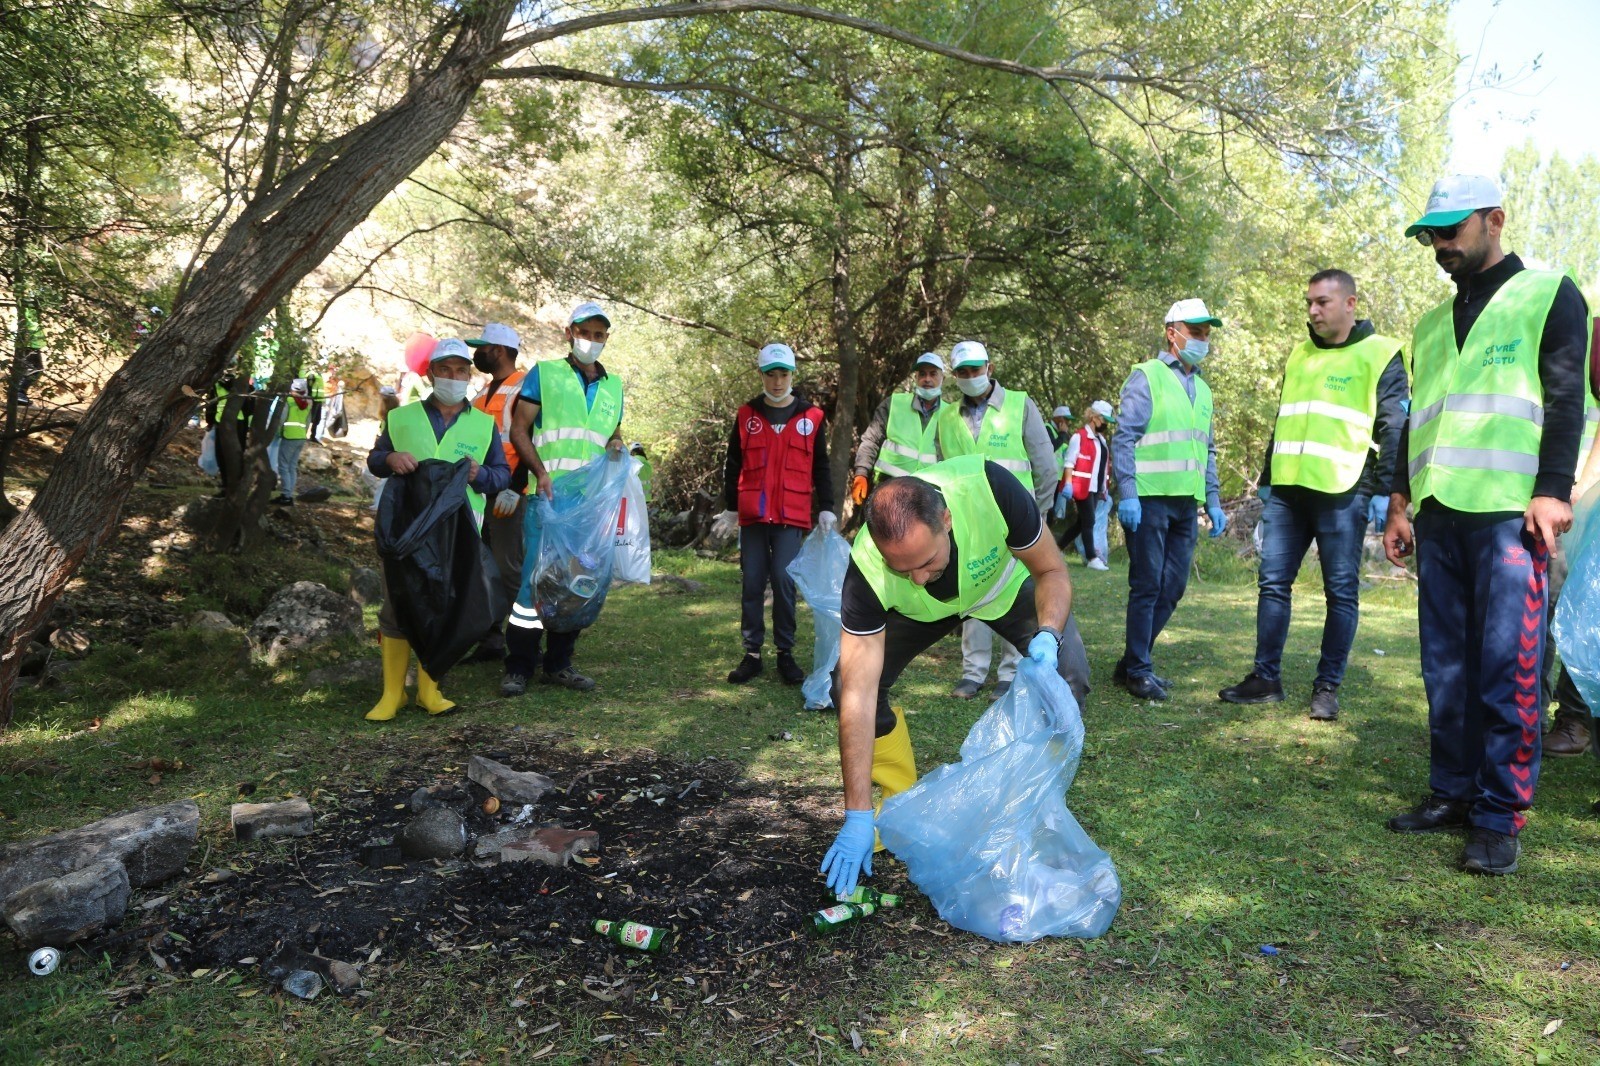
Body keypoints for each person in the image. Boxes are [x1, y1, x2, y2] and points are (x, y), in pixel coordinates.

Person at [1383, 174, 1590, 876]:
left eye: (1451, 230)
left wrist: (1553, 490)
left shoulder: (1549, 294)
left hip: (1511, 514)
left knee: (1508, 669)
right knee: (1445, 669)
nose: (1440, 245)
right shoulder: (1430, 325)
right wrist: (1401, 500)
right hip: (1439, 512)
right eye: (1431, 235)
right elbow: (1419, 417)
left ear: (1495, 219)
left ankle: (1500, 815)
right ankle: (1451, 794)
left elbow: (1567, 399)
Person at [818, 455, 1092, 897]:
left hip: (1001, 590)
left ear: (945, 520)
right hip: (919, 617)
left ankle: (1030, 810)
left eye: (926, 561)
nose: (920, 577)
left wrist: (1048, 635)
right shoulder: (868, 566)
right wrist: (856, 813)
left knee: (1069, 678)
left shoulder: (989, 489)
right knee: (844, 685)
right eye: (901, 569)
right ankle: (898, 808)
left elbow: (1052, 570)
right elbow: (857, 696)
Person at [1218, 270, 1409, 720]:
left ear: (1350, 304)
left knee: (1340, 592)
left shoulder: (1381, 354)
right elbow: (1284, 418)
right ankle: (1266, 678)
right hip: (1288, 489)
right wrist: (1266, 477)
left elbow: (1395, 427)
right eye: (1309, 302)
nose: (1312, 311)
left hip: (1344, 490)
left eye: (1322, 302)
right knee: (1272, 583)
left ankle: (1327, 687)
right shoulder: (1299, 353)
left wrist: (1386, 492)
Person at [363, 338, 511, 721]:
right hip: (405, 530)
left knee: (446, 606)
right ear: (430, 374)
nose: (453, 377)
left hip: (458, 532)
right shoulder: (402, 417)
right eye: (445, 369)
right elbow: (376, 460)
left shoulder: (483, 424)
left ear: (468, 376)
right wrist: (390, 457)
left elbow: (501, 474)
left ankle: (430, 691)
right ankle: (392, 694)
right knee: (397, 605)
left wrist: (480, 474)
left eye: (461, 371)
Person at [503, 301, 625, 694]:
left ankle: (559, 664)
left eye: (598, 334)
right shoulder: (546, 374)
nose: (591, 341)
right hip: (550, 496)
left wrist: (620, 446)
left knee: (576, 581)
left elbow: (611, 435)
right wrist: (539, 473)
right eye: (584, 332)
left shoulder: (614, 386)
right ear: (569, 333)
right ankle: (518, 667)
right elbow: (519, 429)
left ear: (607, 338)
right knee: (532, 584)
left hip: (589, 505)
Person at [1111, 299, 1228, 701]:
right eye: (1194, 330)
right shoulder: (1148, 376)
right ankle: (1139, 669)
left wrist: (1212, 499)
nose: (1201, 338)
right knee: (1147, 585)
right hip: (1148, 500)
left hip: (1185, 504)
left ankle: (1131, 661)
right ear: (1171, 332)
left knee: (1173, 587)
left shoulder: (1204, 389)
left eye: (1206, 332)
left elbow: (1206, 449)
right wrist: (1127, 494)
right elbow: (1124, 438)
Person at [936, 340, 1058, 699]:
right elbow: (939, 472)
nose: (971, 376)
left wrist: (1041, 517)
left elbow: (1045, 466)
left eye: (977, 369)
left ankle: (1009, 672)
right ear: (956, 376)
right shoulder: (946, 417)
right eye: (963, 372)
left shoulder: (1020, 405)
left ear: (989, 368)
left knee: (1016, 592)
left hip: (1015, 521)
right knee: (973, 593)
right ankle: (972, 672)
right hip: (968, 523)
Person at [713, 343, 835, 685]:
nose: (778, 381)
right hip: (753, 515)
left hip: (790, 516)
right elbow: (733, 463)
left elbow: (821, 465)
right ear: (761, 376)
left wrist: (826, 507)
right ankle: (752, 654)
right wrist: (731, 508)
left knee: (783, 582)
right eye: (771, 374)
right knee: (752, 581)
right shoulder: (746, 415)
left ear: (792, 374)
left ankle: (785, 653)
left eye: (783, 374)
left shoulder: (811, 417)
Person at [465, 322, 527, 665]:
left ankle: (523, 643)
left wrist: (516, 489)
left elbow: (530, 441)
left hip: (509, 493)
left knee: (508, 568)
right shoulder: (483, 392)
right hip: (481, 491)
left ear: (499, 351)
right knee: (483, 566)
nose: (478, 354)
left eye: (482, 348)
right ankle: (491, 639)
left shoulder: (523, 389)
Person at [850, 352, 946, 505]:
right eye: (922, 374)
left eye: (933, 374)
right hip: (888, 491)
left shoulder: (950, 415)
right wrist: (861, 473)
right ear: (915, 378)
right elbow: (871, 440)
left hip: (928, 498)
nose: (927, 379)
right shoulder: (893, 404)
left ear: (943, 378)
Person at [1058, 401, 1114, 571]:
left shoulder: (1101, 440)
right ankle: (1092, 558)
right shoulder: (1079, 437)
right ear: (1094, 417)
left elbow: (1101, 466)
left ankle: (1056, 549)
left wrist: (1104, 488)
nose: (1106, 425)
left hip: (1096, 489)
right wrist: (1067, 484)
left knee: (1080, 524)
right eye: (1104, 420)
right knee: (1089, 521)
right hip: (1081, 488)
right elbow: (1069, 463)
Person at [271, 378, 314, 505]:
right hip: (301, 436)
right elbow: (308, 421)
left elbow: (282, 418)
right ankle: (289, 494)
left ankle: (286, 496)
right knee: (292, 467)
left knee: (284, 466)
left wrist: (278, 431)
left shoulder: (288, 400)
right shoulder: (309, 402)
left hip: (289, 436)